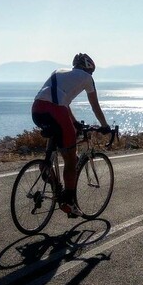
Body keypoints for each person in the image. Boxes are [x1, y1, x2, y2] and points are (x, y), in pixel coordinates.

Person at [31, 53, 110, 216]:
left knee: (53, 145)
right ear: (89, 68)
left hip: (37, 110)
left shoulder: (58, 71)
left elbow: (62, 102)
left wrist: (73, 122)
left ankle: (48, 171)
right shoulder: (87, 78)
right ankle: (68, 201)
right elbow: (95, 105)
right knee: (70, 158)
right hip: (55, 111)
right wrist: (104, 125)